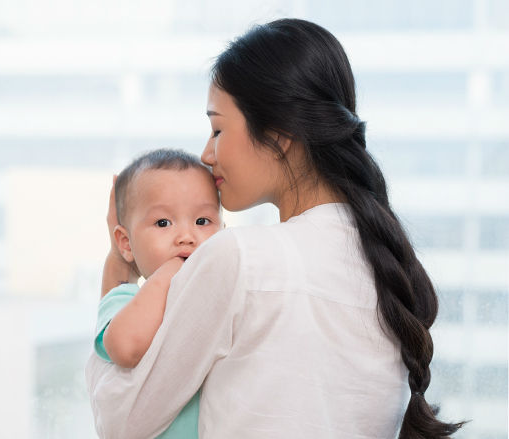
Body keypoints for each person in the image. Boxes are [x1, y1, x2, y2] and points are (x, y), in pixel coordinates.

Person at [86, 18, 465, 439]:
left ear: (279, 135)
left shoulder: (238, 259)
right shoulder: (384, 267)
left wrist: (117, 282)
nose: (207, 154)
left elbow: (123, 423)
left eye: (217, 129)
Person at [94, 148, 223, 439]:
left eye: (203, 221)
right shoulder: (125, 300)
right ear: (126, 244)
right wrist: (167, 275)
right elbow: (126, 347)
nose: (186, 236)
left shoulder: (221, 293)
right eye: (163, 223)